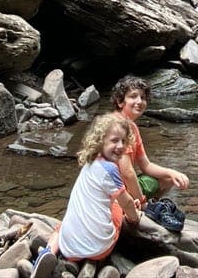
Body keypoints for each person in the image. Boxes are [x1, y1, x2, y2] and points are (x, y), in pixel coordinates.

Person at [31, 115, 141, 277]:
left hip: (69, 250)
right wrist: (134, 217)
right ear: (100, 141)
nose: (120, 146)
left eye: (124, 141)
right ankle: (86, 259)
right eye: (114, 141)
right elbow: (126, 203)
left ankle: (48, 253)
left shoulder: (90, 163)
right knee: (118, 209)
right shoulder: (110, 170)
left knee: (62, 226)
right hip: (98, 249)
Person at [111, 75, 190, 205]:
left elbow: (146, 165)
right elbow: (127, 172)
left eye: (143, 97)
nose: (139, 101)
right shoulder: (118, 126)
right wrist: (141, 201)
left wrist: (172, 173)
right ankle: (140, 209)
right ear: (120, 102)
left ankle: (150, 207)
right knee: (158, 181)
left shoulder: (132, 127)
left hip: (123, 187)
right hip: (114, 192)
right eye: (133, 96)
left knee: (168, 179)